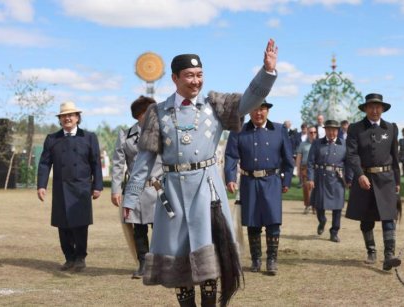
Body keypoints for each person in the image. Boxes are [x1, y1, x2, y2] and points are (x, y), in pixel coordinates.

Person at [122, 39, 278, 307]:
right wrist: (130, 198)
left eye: (199, 75)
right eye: (189, 76)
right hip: (171, 193)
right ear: (175, 78)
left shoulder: (216, 105)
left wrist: (267, 72)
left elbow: (251, 99)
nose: (196, 81)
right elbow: (144, 161)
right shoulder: (157, 113)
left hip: (208, 192)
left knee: (211, 256)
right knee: (177, 256)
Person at [224, 101, 294, 276]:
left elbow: (288, 160)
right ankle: (256, 259)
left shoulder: (279, 130)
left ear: (268, 110)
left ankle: (272, 260)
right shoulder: (238, 131)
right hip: (249, 182)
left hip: (272, 181)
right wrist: (231, 178)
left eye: (262, 109)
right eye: (254, 109)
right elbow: (231, 157)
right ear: (249, 111)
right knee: (252, 222)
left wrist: (286, 182)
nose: (258, 113)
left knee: (273, 222)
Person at [37, 101, 103, 272]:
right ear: (60, 119)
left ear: (77, 118)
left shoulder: (89, 137)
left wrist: (97, 186)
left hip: (81, 189)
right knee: (62, 225)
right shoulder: (52, 139)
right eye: (63, 116)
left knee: (80, 225)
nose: (67, 118)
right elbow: (44, 164)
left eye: (70, 115)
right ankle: (69, 258)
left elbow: (96, 162)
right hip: (60, 188)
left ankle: (80, 257)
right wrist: (41, 185)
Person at [345, 93, 401, 271]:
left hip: (386, 179)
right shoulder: (355, 128)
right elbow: (351, 154)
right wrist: (359, 174)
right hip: (365, 179)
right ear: (366, 109)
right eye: (371, 107)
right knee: (366, 217)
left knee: (388, 217)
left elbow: (395, 156)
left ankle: (389, 256)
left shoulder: (391, 128)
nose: (375, 110)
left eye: (378, 107)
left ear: (383, 109)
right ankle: (371, 251)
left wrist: (397, 180)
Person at [110, 95, 162, 279]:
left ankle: (160, 263)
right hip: (136, 190)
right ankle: (143, 263)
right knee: (139, 228)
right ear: (139, 115)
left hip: (159, 188)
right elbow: (117, 164)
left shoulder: (163, 133)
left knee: (160, 228)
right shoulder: (125, 136)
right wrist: (116, 190)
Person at [307, 120, 348, 242]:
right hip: (321, 178)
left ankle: (334, 231)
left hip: (337, 179)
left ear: (338, 131)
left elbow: (349, 163)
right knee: (319, 205)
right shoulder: (317, 143)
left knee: (338, 207)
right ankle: (322, 220)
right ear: (325, 130)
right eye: (329, 129)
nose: (331, 132)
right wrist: (310, 178)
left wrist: (349, 179)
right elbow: (310, 162)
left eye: (334, 130)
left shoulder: (343, 144)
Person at [296, 126, 317, 214]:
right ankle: (308, 205)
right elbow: (299, 157)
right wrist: (297, 169)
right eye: (310, 132)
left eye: (314, 132)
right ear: (308, 133)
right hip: (305, 167)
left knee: (316, 188)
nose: (312, 134)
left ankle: (315, 207)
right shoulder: (303, 144)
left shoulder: (319, 143)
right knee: (306, 187)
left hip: (316, 168)